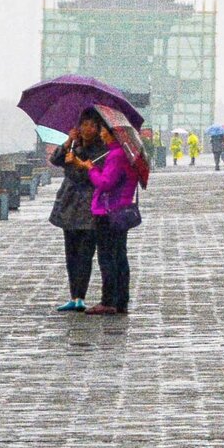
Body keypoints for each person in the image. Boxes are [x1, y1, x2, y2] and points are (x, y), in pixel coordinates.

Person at [48, 113, 109, 312]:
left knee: (85, 253)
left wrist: (77, 163)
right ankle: (73, 296)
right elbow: (55, 160)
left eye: (92, 125)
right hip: (69, 204)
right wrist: (68, 142)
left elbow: (90, 175)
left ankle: (80, 296)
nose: (87, 129)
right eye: (83, 124)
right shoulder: (73, 145)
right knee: (71, 253)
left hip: (89, 205)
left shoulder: (101, 150)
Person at [84, 125, 147, 314]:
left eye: (103, 130)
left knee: (107, 257)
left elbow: (105, 183)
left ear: (112, 134)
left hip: (108, 211)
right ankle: (121, 300)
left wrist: (91, 169)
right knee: (120, 256)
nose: (101, 133)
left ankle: (109, 300)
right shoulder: (124, 154)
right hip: (121, 210)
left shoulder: (116, 155)